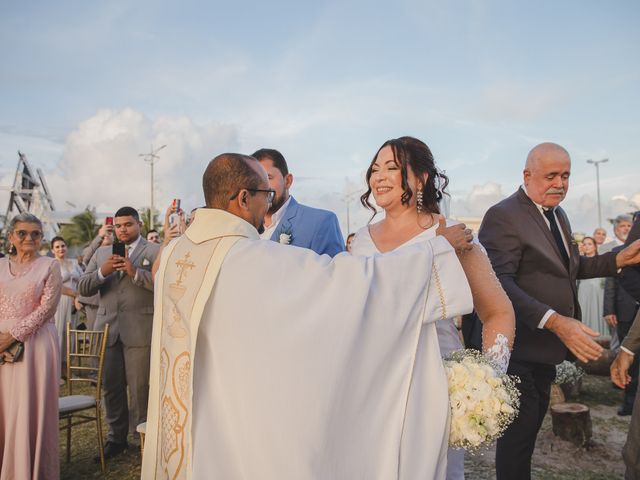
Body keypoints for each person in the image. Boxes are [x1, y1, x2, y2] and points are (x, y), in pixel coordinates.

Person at [142, 153, 475, 480]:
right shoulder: (248, 257)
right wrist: (434, 252)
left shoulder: (174, 255)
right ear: (243, 198)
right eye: (265, 195)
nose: (268, 205)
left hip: (192, 416)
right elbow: (345, 285)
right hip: (244, 413)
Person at [350, 136, 515, 480]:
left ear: (421, 177)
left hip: (432, 382)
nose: (378, 177)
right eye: (374, 169)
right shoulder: (361, 240)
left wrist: (487, 380)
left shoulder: (449, 235)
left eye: (392, 168)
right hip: (370, 383)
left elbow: (498, 312)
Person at [479, 142, 640, 480]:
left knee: (528, 437)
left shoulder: (558, 213)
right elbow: (497, 284)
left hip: (546, 352)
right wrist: (554, 321)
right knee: (517, 443)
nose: (560, 183)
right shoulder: (504, 215)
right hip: (518, 350)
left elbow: (571, 266)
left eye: (566, 175)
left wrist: (617, 259)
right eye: (551, 175)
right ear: (527, 175)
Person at [78, 207, 160, 459]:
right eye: (119, 226)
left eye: (128, 224)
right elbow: (83, 287)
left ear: (139, 224)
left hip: (140, 329)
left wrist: (135, 272)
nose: (123, 229)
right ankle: (116, 438)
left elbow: (164, 283)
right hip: (107, 329)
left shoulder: (156, 250)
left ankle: (141, 438)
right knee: (110, 388)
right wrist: (103, 272)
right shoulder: (102, 252)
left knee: (140, 388)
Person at [0, 213, 62, 479]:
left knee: (27, 407)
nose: (29, 239)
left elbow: (47, 310)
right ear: (11, 236)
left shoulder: (50, 266)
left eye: (35, 233)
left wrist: (12, 335)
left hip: (35, 346)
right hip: (1, 346)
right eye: (22, 233)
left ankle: (28, 470)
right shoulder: (0, 265)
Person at [252, 148, 344, 256]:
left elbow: (334, 271)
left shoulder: (320, 222)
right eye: (254, 180)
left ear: (288, 181)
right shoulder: (244, 227)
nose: (261, 186)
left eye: (268, 178)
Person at [51, 236, 84, 370]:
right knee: (59, 334)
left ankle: (67, 369)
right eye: (57, 247)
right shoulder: (52, 264)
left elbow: (82, 280)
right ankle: (56, 370)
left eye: (63, 246)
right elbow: (55, 286)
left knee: (70, 335)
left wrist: (78, 297)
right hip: (60, 303)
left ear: (67, 247)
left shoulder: (74, 263)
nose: (61, 249)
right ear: (52, 250)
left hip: (74, 304)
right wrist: (74, 294)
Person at [77, 223, 114, 330]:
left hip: (111, 299)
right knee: (95, 335)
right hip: (93, 301)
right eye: (105, 233)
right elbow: (86, 258)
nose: (107, 235)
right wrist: (100, 237)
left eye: (110, 233)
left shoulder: (119, 249)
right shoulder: (91, 250)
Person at [577, 236, 606, 335]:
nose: (587, 246)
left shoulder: (601, 261)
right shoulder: (578, 261)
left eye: (590, 244)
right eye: (584, 244)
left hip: (599, 293)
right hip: (583, 292)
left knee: (598, 313)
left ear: (595, 246)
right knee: (584, 313)